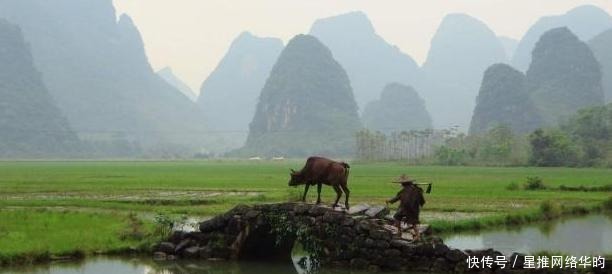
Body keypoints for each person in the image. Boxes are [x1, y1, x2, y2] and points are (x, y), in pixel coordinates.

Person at [386, 174, 425, 240]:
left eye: (401, 183)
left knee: (397, 217)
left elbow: (397, 198)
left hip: (405, 208)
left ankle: (399, 233)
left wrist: (389, 201)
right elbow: (421, 200)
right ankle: (418, 236)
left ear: (404, 183)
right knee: (414, 222)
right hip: (414, 209)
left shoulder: (404, 191)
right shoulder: (417, 189)